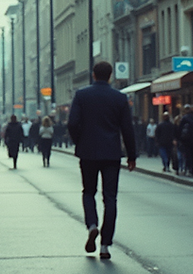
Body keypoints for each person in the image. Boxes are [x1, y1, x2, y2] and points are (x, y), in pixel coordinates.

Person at [68, 61, 137, 261]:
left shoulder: (82, 95)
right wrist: (131, 155)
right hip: (111, 153)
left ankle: (92, 225)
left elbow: (72, 122)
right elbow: (127, 129)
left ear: (93, 74)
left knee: (89, 192)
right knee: (110, 198)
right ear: (110, 76)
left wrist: (79, 141)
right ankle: (105, 245)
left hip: (88, 152)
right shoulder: (120, 98)